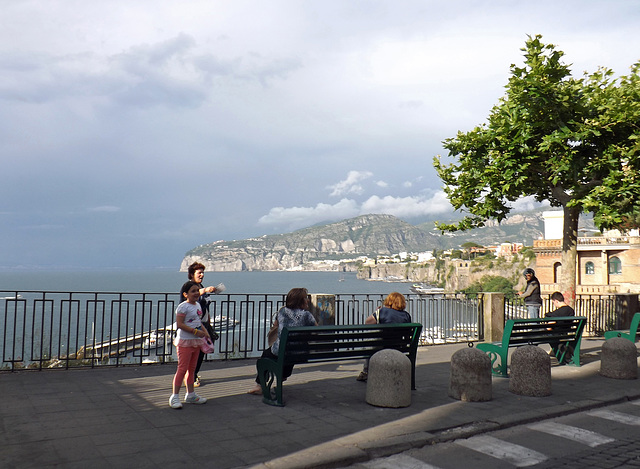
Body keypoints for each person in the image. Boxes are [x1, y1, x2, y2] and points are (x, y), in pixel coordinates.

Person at [247, 287, 317, 395]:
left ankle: (259, 385)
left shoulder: (282, 311)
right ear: (300, 301)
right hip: (300, 352)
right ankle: (283, 376)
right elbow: (316, 330)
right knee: (291, 354)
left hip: (281, 350)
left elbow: (275, 326)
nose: (307, 300)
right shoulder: (307, 315)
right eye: (305, 298)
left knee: (267, 355)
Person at [169, 280, 210, 409]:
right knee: (182, 368)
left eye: (197, 290)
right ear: (185, 294)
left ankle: (190, 394)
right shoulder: (182, 307)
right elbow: (180, 324)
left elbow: (198, 321)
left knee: (192, 369)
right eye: (193, 291)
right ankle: (174, 396)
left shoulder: (197, 305)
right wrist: (195, 332)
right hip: (185, 341)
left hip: (196, 341)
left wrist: (205, 332)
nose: (196, 293)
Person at [356, 292, 412, 382]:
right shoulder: (406, 315)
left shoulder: (383, 311)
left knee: (371, 344)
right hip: (399, 347)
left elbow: (368, 322)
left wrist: (376, 312)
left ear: (389, 301)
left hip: (382, 346)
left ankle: (366, 372)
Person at [186, 262, 225, 387]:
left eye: (203, 272)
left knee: (201, 351)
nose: (202, 275)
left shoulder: (200, 285)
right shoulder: (189, 286)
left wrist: (208, 321)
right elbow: (190, 296)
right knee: (193, 352)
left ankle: (193, 374)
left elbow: (205, 306)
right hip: (194, 325)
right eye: (199, 272)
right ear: (192, 274)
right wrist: (204, 290)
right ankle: (190, 376)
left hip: (203, 324)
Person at [545, 291, 575, 364]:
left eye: (553, 302)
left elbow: (549, 327)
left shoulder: (557, 313)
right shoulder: (571, 310)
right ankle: (564, 355)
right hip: (565, 333)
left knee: (536, 335)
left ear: (556, 301)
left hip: (556, 335)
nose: (554, 304)